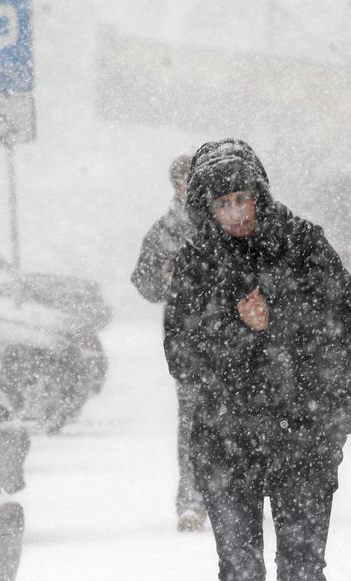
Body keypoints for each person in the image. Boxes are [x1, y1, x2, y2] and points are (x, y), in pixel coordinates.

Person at [163, 139, 351, 581]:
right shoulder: (196, 265)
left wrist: (278, 321)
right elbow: (183, 356)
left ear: (260, 192)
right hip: (227, 447)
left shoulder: (305, 245)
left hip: (302, 441)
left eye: (244, 198)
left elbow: (350, 326)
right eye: (224, 203)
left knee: (302, 569)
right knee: (240, 576)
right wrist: (238, 329)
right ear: (207, 207)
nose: (237, 213)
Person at [131, 153, 208, 532]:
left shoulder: (228, 223)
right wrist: (163, 278)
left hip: (237, 343)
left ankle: (238, 494)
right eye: (182, 182)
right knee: (193, 422)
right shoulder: (163, 232)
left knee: (242, 422)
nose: (188, 188)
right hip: (189, 343)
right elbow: (144, 283)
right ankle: (192, 499)